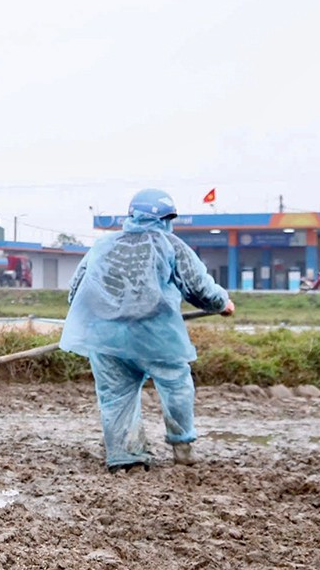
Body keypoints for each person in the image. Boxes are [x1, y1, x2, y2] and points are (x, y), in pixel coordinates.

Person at [59, 188, 235, 472]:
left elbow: (75, 292)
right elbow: (199, 288)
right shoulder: (170, 244)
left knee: (116, 396)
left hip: (106, 337)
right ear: (165, 219)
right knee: (176, 384)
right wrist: (222, 303)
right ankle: (182, 447)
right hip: (155, 335)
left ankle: (126, 458)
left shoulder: (102, 245)